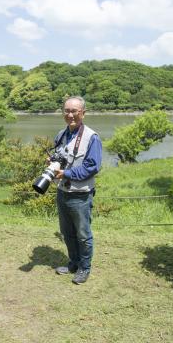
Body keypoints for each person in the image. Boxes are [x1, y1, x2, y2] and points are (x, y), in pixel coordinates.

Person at [52, 96, 102, 284]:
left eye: (74, 111)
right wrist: (53, 163)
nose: (70, 115)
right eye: (67, 111)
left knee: (82, 234)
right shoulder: (62, 134)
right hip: (62, 192)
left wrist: (66, 173)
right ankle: (73, 262)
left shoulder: (92, 137)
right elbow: (60, 155)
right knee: (67, 232)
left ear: (83, 113)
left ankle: (84, 268)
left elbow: (92, 167)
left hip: (81, 195)